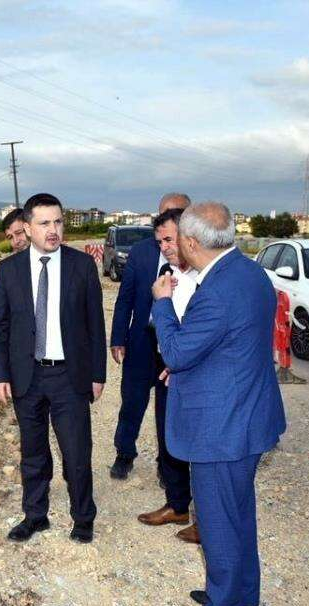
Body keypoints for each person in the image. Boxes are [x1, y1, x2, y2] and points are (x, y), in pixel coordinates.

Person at [150, 202, 286, 606]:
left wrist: (162, 304)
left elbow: (175, 351)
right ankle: (242, 594)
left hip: (222, 426)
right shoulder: (249, 273)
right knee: (238, 511)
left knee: (217, 520)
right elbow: (229, 345)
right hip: (248, 415)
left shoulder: (217, 291)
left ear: (191, 243)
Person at [0, 192, 107, 544]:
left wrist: (97, 374)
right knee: (33, 453)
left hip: (69, 376)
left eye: (58, 222)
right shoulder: (9, 270)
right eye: (44, 223)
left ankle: (83, 517)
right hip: (26, 376)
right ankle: (35, 516)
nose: (53, 230)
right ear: (27, 227)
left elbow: (95, 325)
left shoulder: (81, 266)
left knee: (76, 453)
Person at [109, 193, 190, 481]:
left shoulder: (197, 257)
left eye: (176, 214)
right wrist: (118, 337)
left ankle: (167, 464)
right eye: (163, 214)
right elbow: (125, 297)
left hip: (177, 347)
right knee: (132, 402)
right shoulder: (141, 251)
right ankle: (124, 453)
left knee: (169, 410)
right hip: (142, 341)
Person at [136, 207, 201, 542]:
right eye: (160, 241)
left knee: (201, 446)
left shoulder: (207, 279)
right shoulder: (166, 273)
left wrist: (183, 364)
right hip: (167, 368)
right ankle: (177, 504)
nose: (165, 247)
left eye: (169, 239)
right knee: (168, 438)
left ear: (189, 236)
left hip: (197, 373)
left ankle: (207, 519)